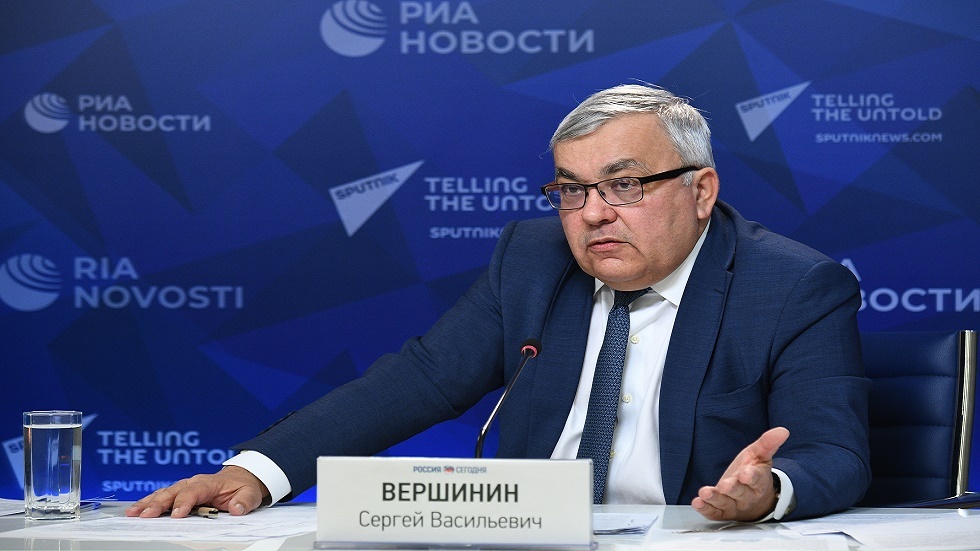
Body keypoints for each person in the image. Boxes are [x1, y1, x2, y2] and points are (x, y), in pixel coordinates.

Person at [127, 83, 870, 522]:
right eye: (571, 190)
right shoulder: (534, 258)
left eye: (624, 185)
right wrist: (257, 472)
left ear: (700, 191)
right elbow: (419, 380)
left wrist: (768, 492)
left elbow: (835, 453)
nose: (593, 213)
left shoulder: (793, 286)